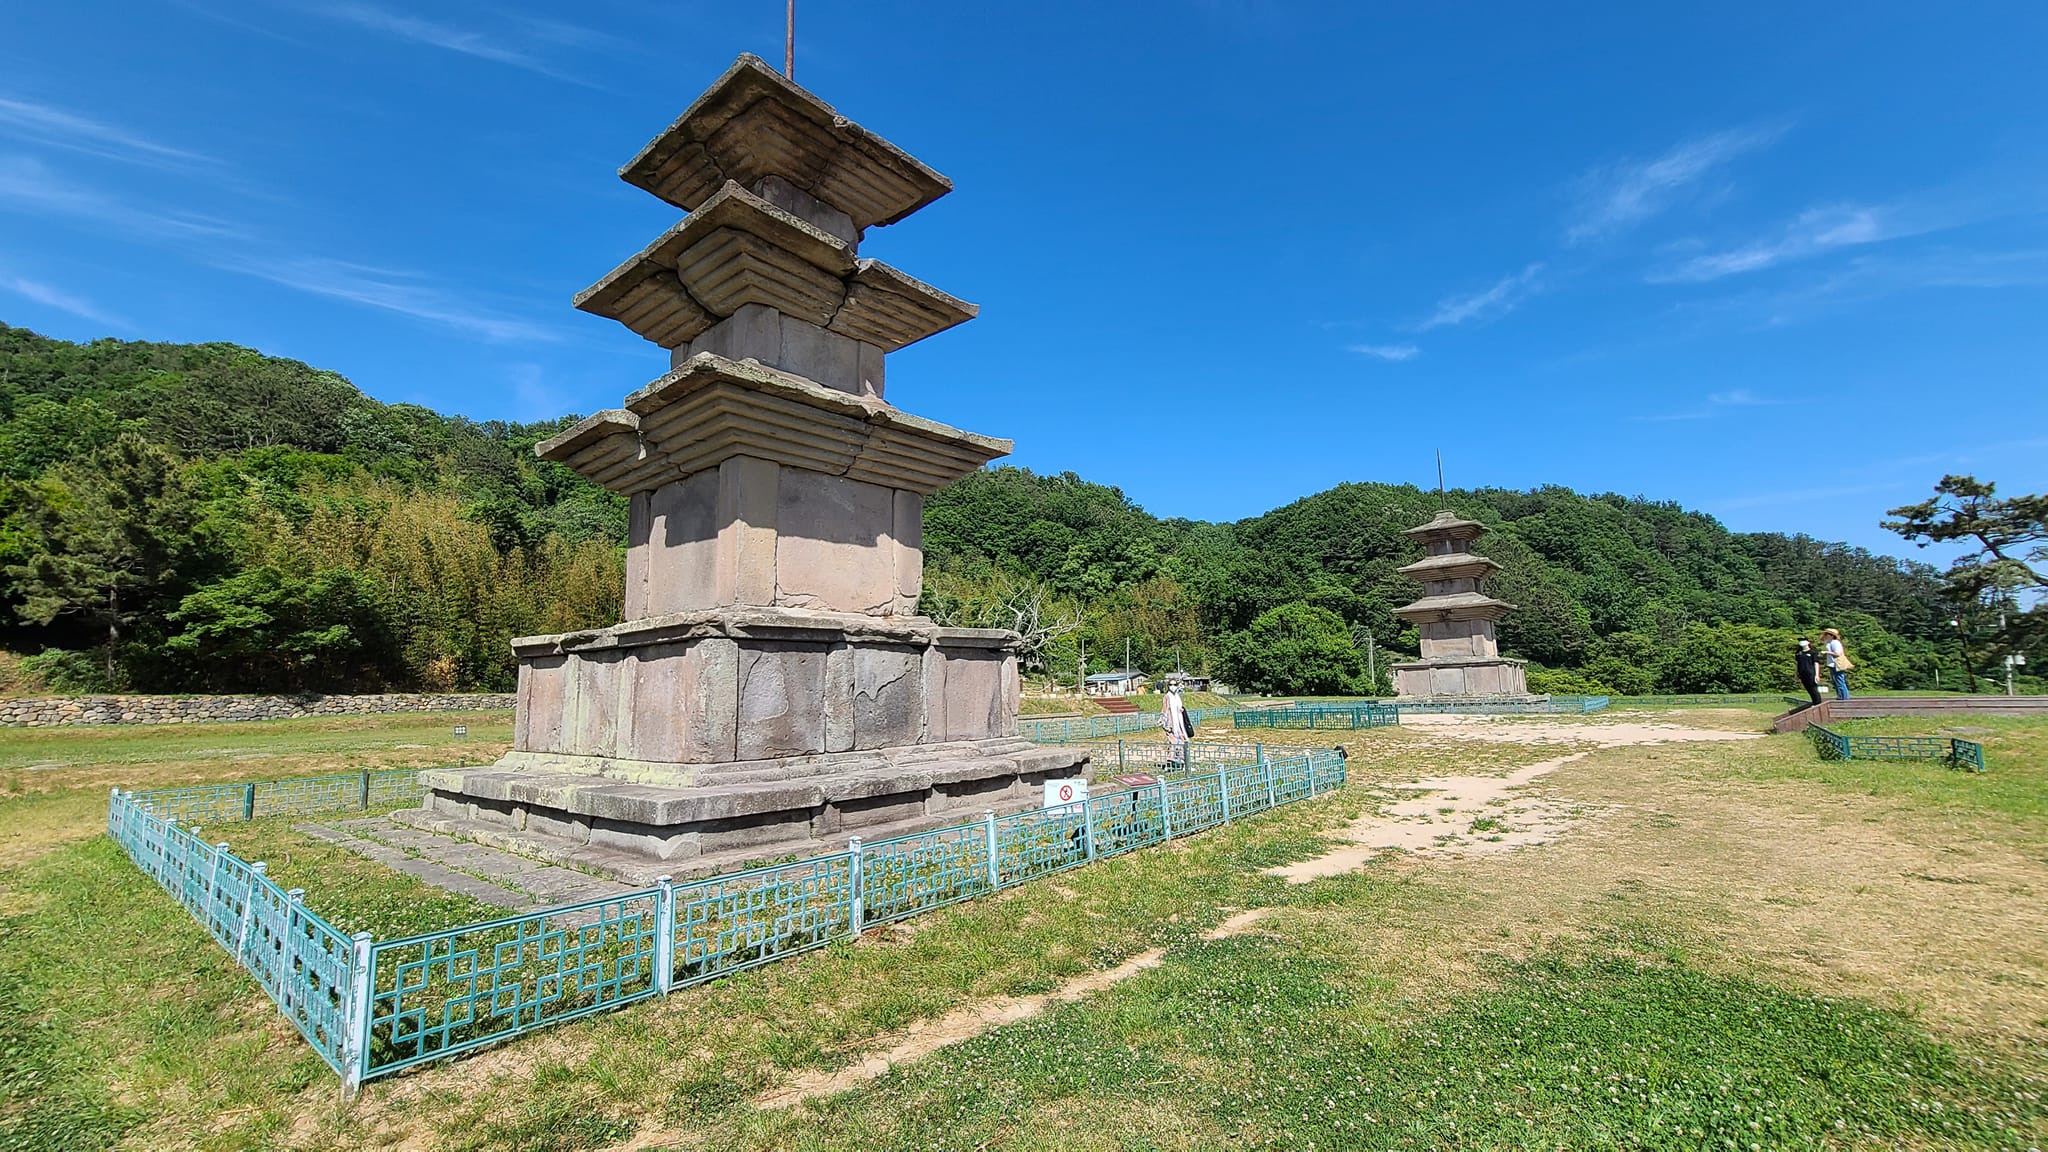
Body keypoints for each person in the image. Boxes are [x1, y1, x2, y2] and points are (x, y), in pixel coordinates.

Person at [1821, 628, 1853, 702]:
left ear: (1832, 635)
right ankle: (1840, 696)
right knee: (1835, 681)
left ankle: (1845, 697)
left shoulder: (1835, 643)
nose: (1826, 635)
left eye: (1827, 634)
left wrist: (1826, 652)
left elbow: (1838, 653)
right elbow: (1821, 639)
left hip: (1836, 664)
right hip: (1832, 664)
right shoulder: (1829, 642)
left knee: (1840, 681)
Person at [1162, 683, 1189, 766]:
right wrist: (1166, 724)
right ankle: (1171, 763)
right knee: (1173, 743)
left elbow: (1180, 708)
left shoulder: (1177, 696)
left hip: (1179, 723)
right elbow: (1165, 711)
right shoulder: (1167, 697)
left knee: (1181, 742)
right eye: (1171, 684)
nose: (1173, 686)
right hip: (1171, 724)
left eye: (1175, 684)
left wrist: (1181, 710)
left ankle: (1182, 762)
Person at [1794, 638, 1823, 707]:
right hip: (1802, 673)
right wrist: (1796, 673)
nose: (1802, 642)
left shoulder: (1812, 652)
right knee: (1808, 688)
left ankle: (1817, 703)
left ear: (1808, 642)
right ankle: (1814, 701)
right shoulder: (1799, 653)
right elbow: (1797, 663)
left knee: (1813, 688)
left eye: (1803, 640)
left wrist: (1817, 675)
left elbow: (1816, 663)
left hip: (1810, 673)